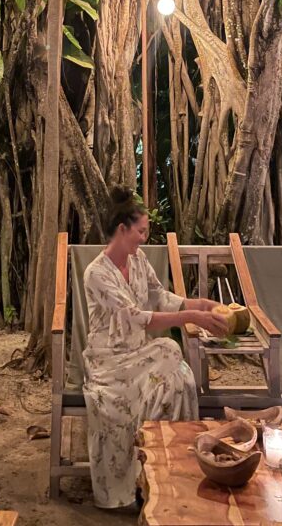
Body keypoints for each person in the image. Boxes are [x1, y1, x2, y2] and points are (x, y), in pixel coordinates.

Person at [82, 185, 228, 509]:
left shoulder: (138, 260)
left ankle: (169, 474)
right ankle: (139, 481)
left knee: (180, 380)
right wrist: (191, 317)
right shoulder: (96, 274)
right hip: (111, 364)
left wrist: (202, 304)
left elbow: (160, 296)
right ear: (123, 229)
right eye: (141, 231)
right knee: (168, 356)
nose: (145, 238)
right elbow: (137, 318)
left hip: (140, 357)